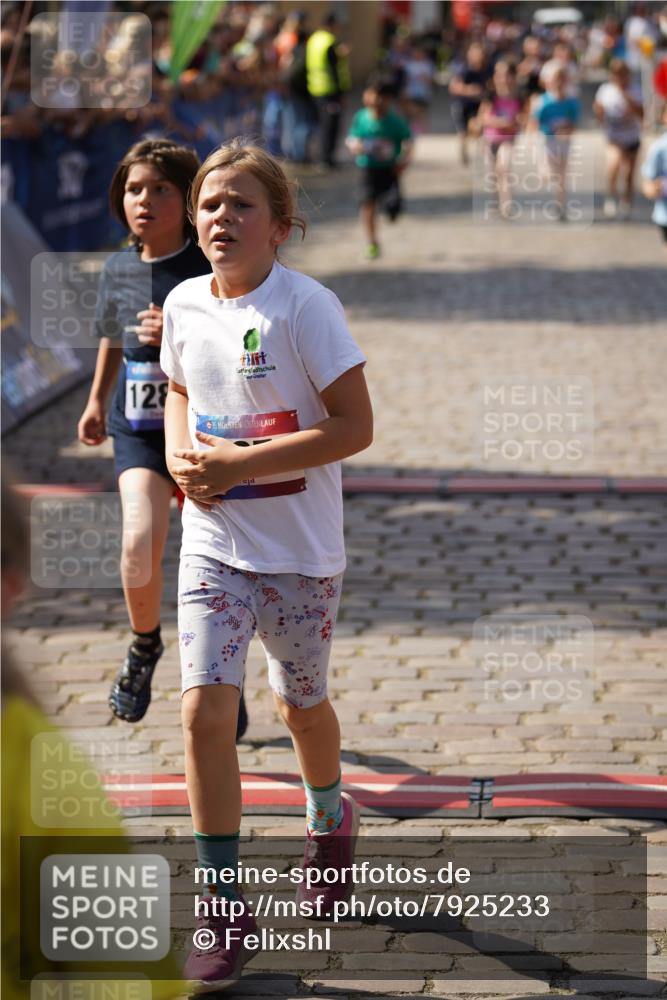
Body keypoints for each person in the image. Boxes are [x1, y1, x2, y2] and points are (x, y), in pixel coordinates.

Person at [159, 139, 373, 991]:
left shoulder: (305, 308)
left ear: (280, 227)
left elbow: (355, 427)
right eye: (210, 204)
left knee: (300, 707)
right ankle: (223, 906)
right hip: (215, 546)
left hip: (300, 553)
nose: (222, 218)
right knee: (205, 715)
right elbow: (179, 387)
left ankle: (328, 816)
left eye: (242, 205)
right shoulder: (181, 304)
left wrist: (240, 465)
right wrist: (182, 456)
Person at [77, 138, 249, 737]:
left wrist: (176, 325)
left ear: (189, 199)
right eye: (132, 189)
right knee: (138, 543)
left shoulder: (210, 265)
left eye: (159, 189)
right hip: (137, 430)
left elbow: (240, 341)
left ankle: (223, 671)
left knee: (223, 560)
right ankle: (145, 645)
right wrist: (97, 399)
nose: (143, 201)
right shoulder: (119, 266)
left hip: (204, 430)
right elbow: (109, 337)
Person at [346, 75, 413, 259]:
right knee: (367, 203)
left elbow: (408, 141)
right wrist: (355, 146)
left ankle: (391, 209)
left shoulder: (395, 122)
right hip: (367, 168)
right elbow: (352, 138)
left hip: (390, 170)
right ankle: (372, 242)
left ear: (389, 100)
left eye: (380, 97)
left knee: (392, 208)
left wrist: (405, 161)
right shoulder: (361, 118)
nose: (375, 101)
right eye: (371, 95)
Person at [593, 58, 643, 218]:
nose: (620, 79)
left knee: (629, 173)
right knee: (613, 165)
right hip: (614, 136)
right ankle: (610, 196)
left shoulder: (635, 90)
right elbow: (598, 111)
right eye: (617, 75)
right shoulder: (605, 90)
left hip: (632, 136)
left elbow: (642, 114)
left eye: (623, 75)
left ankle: (627, 202)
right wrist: (599, 113)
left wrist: (626, 96)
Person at [532, 65, 580, 220]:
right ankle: (555, 200)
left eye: (561, 79)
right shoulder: (542, 102)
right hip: (548, 141)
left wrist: (566, 129)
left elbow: (574, 124)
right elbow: (535, 123)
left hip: (564, 142)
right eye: (555, 80)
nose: (558, 83)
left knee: (561, 175)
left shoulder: (571, 102)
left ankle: (559, 205)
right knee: (550, 172)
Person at [478, 59, 525, 218]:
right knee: (492, 176)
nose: (503, 79)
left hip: (507, 140)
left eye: (506, 75)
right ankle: (496, 202)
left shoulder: (519, 97)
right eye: (499, 75)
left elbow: (522, 120)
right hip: (490, 140)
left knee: (503, 169)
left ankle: (507, 204)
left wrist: (515, 123)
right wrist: (502, 122)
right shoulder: (490, 96)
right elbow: (483, 118)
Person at [306, 11, 351, 168]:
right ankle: (327, 158)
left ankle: (322, 157)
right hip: (330, 91)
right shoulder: (330, 42)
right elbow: (334, 70)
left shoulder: (314, 39)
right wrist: (341, 93)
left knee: (321, 125)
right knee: (330, 126)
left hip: (315, 88)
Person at [449, 41, 490, 165]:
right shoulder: (464, 69)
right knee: (463, 132)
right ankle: (464, 152)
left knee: (478, 129)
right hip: (463, 105)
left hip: (478, 106)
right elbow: (454, 87)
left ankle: (480, 155)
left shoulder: (486, 71)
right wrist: (471, 91)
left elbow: (489, 87)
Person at [641, 102, 667, 248]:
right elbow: (648, 180)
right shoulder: (660, 148)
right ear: (664, 118)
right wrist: (651, 190)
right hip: (665, 215)